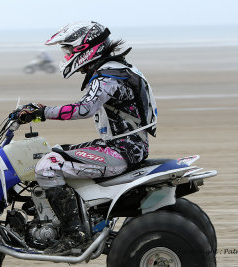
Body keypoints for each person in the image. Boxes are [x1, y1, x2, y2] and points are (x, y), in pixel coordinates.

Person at [17, 21, 157, 254]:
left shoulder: (108, 76)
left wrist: (42, 113)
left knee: (48, 166)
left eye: (70, 50)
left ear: (85, 48)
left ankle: (75, 236)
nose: (68, 56)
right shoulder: (118, 69)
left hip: (123, 150)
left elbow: (84, 109)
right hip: (125, 146)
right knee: (55, 151)